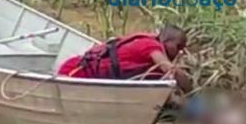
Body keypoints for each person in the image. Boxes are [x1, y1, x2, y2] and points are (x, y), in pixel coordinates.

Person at [57, 24, 192, 91]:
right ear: (166, 40)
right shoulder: (151, 46)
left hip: (88, 77)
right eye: (178, 46)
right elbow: (169, 70)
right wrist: (192, 92)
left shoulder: (151, 44)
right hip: (73, 73)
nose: (180, 52)